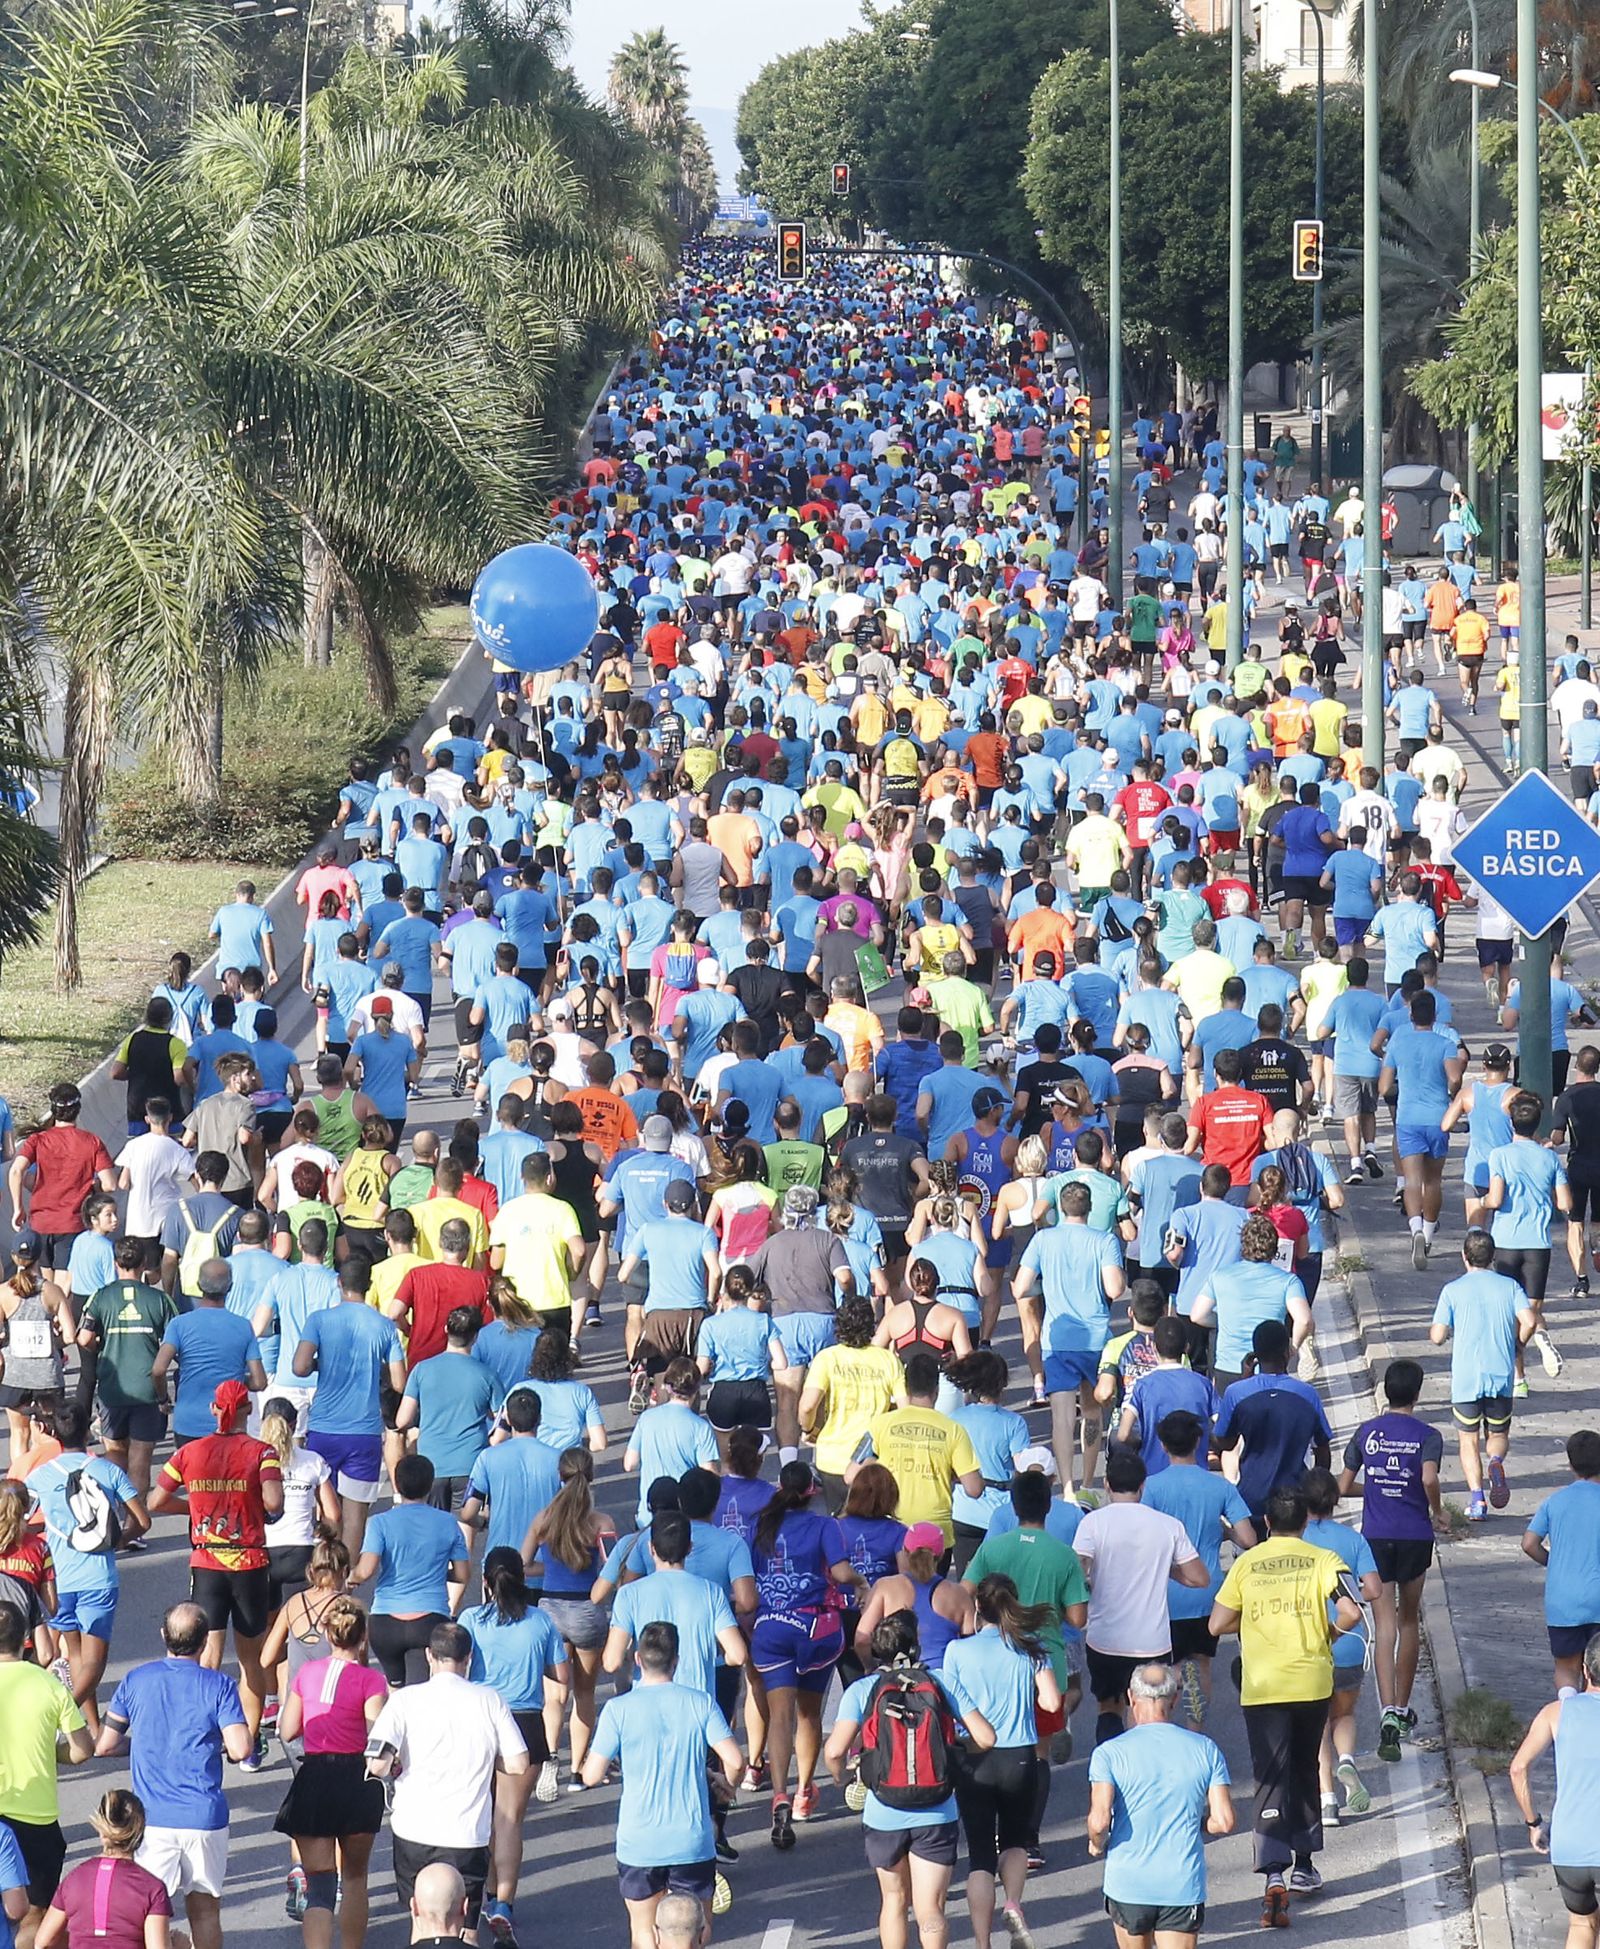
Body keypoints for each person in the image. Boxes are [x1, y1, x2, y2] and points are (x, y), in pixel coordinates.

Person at [1210, 1488, 1362, 1922]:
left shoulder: (1246, 1563)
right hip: (1311, 1681)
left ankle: (1273, 1872)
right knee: (1305, 1768)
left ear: (1267, 1521)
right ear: (1304, 1523)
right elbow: (1351, 1611)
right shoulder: (1323, 1560)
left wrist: (1254, 1614)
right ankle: (1306, 1865)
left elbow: (1217, 1622)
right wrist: (1327, 1634)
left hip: (1263, 1686)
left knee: (1270, 1774)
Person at [823, 1609, 996, 1949]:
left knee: (894, 1902)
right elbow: (986, 1737)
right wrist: (956, 1751)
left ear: (877, 1651)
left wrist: (842, 1777)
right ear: (916, 1646)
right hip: (937, 1808)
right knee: (930, 1908)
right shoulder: (941, 1681)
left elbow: (833, 1751)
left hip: (883, 1810)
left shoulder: (863, 1690)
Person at [95, 1602, 253, 1949]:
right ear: (205, 1643)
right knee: (206, 1913)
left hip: (151, 1821)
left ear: (163, 1635)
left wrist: (141, 1744)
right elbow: (241, 1749)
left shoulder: (136, 1679)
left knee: (149, 1916)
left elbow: (106, 1744)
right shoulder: (220, 1686)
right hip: (204, 1818)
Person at [581, 1621, 745, 1949]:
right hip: (690, 1838)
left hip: (639, 1840)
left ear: (638, 1659)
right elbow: (736, 1761)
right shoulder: (699, 1702)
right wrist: (725, 1783)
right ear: (677, 1661)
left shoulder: (618, 1710)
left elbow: (591, 1775)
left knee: (643, 1931)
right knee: (693, 1928)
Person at [146, 1379, 284, 1764]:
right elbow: (273, 1502)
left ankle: (203, 1738)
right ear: (249, 1410)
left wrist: (193, 1510)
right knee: (250, 1660)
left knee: (206, 1657)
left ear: (213, 1410)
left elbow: (157, 1500)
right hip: (251, 1562)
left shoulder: (190, 1452)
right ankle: (250, 1745)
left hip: (207, 1562)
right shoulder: (263, 1452)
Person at [366, 1621, 530, 1945]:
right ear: (468, 1658)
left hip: (414, 1829)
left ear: (429, 1656)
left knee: (423, 1919)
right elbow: (518, 1762)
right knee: (465, 1926)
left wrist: (398, 1764)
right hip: (467, 1834)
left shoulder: (404, 1701)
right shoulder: (489, 1700)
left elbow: (377, 1763)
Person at [941, 1575, 1061, 1949]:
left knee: (980, 1855)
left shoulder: (957, 1652)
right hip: (1020, 1756)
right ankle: (1012, 1903)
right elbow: (1053, 1703)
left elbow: (949, 1708)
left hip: (973, 1758)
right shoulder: (1031, 1647)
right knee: (1014, 1842)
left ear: (978, 1608)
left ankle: (982, 1943)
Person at [1337, 1358, 1447, 1763]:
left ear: (1386, 1391)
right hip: (1415, 1536)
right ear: (1417, 1394)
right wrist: (1437, 1510)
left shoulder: (1367, 1433)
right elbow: (1429, 1478)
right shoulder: (1428, 1436)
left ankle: (1384, 1711)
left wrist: (1378, 1489)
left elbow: (1343, 1485)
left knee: (1383, 1624)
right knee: (1408, 1620)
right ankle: (1401, 1709)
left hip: (1376, 1539)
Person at [460, 1550, 570, 1941]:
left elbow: (456, 1668)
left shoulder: (471, 1620)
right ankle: (502, 1901)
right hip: (524, 1724)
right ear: (523, 1579)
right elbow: (561, 1677)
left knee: (479, 1815)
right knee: (509, 1818)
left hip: (478, 1719)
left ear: (486, 1583)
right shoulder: (540, 1622)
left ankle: (478, 1897)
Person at [1086, 1662, 1235, 1949]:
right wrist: (1203, 1821)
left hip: (1129, 1885)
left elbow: (1099, 1821)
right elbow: (1224, 1821)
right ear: (1175, 1699)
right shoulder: (1205, 1749)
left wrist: (1096, 1842)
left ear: (1131, 1697)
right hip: (1181, 1885)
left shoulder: (1109, 1754)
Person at [25, 1399, 150, 1738]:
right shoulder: (108, 1470)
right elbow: (143, 1521)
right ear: (88, 1430)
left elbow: (22, 1521)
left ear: (54, 1432)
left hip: (59, 1579)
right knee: (94, 1663)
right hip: (98, 1577)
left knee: (76, 1655)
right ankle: (57, 1717)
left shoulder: (40, 1477)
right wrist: (116, 1541)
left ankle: (93, 1730)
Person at [748, 1461, 857, 1845]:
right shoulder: (826, 1525)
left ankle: (778, 1791)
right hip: (815, 1629)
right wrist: (861, 1581)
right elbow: (842, 1574)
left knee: (780, 1716)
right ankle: (803, 1792)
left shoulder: (759, 1525)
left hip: (771, 1627)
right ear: (813, 1491)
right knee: (808, 1713)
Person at [1072, 1450, 1208, 1745]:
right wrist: (1166, 1570)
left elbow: (1077, 1568)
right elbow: (1199, 1578)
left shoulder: (1092, 1524)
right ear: (1142, 1486)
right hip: (1152, 1641)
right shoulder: (1168, 1526)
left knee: (1108, 1707)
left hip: (1104, 1638)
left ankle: (1110, 1769)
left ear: (1107, 1485)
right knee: (1149, 1713)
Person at [1141, 1410, 1256, 1731]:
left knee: (1161, 1666)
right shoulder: (1218, 1487)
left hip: (1163, 1595)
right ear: (1197, 1442)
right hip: (1208, 1594)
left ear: (1163, 1445)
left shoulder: (1150, 1488)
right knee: (1199, 1666)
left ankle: (1159, 1725)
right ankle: (1194, 1732)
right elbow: (1248, 1538)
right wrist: (1225, 1531)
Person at [0, 1603, 94, 1949]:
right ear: (25, 1638)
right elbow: (82, 1749)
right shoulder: (47, 1684)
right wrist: (50, 1753)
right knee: (33, 1917)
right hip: (35, 1819)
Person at [1430, 1231, 1537, 1521]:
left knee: (1467, 1440)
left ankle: (1477, 1500)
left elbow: (1437, 1336)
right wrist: (1518, 1344)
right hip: (1500, 1375)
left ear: (1464, 1256)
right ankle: (1496, 1461)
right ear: (1493, 1258)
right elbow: (1530, 1321)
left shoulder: (1452, 1290)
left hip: (1466, 1378)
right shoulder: (1510, 1286)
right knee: (1498, 1434)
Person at [1509, 1634, 1600, 1949]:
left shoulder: (1555, 1713)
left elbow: (1518, 1768)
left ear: (1585, 1671)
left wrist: (1534, 1823)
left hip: (1569, 1847)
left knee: (1582, 1923)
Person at [353, 1454, 469, 1689]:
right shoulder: (448, 1522)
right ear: (430, 1484)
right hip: (430, 1620)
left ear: (397, 1484)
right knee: (426, 1692)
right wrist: (438, 1573)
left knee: (396, 1692)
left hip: (386, 1622)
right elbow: (463, 1575)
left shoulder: (380, 1522)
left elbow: (365, 1570)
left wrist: (350, 1576)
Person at [34, 1789, 173, 1949]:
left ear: (101, 1830)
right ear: (140, 1831)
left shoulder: (74, 1879)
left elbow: (42, 1942)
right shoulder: (152, 1888)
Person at [1524, 1430, 1600, 1694]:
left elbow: (1529, 1544)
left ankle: (1568, 1720)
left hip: (1564, 1601)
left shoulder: (1554, 1502)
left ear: (1570, 1465)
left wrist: (1553, 1562)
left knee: (1566, 1668)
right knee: (1597, 1675)